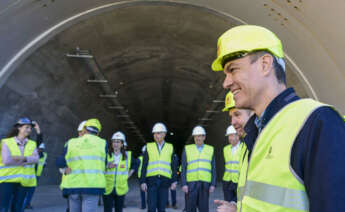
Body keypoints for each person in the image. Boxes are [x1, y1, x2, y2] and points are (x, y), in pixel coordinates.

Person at [212, 25, 345, 212]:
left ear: (265, 64)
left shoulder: (317, 122)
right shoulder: (258, 132)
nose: (226, 82)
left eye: (233, 69)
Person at [56, 118, 107, 212]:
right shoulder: (102, 143)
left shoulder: (71, 142)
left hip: (73, 187)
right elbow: (105, 163)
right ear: (98, 132)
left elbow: (59, 161)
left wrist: (64, 169)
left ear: (84, 130)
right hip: (92, 187)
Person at [0, 118, 39, 212]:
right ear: (19, 128)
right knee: (3, 207)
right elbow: (6, 160)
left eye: (30, 128)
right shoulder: (6, 142)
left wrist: (21, 158)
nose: (29, 130)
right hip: (7, 180)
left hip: (24, 181)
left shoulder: (32, 143)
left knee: (18, 208)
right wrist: (28, 160)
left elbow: (36, 159)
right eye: (27, 127)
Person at [140, 122, 178, 212]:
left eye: (159, 133)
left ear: (164, 134)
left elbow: (174, 166)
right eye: (155, 133)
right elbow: (144, 165)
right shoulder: (149, 146)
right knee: (151, 207)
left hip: (165, 181)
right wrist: (142, 181)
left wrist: (174, 181)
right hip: (151, 181)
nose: (156, 135)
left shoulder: (170, 147)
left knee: (162, 208)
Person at [181, 126, 216, 212]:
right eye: (196, 136)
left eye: (200, 136)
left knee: (204, 209)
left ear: (204, 137)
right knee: (190, 208)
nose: (198, 138)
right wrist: (184, 184)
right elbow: (183, 168)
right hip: (191, 185)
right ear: (194, 137)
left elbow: (213, 168)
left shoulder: (210, 149)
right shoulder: (187, 149)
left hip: (205, 185)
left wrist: (213, 184)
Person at [103, 131, 136, 212]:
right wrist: (107, 166)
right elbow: (99, 167)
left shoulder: (128, 156)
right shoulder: (106, 155)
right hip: (108, 188)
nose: (115, 144)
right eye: (114, 141)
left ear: (122, 144)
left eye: (118, 142)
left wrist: (129, 174)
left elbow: (136, 164)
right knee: (107, 210)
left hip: (121, 188)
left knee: (119, 210)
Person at [222, 125, 245, 203]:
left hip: (239, 181)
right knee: (228, 204)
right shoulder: (225, 149)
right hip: (227, 181)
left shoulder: (244, 147)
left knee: (238, 204)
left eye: (232, 135)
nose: (230, 138)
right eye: (229, 136)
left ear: (238, 136)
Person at [23, 141, 47, 209]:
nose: (40, 150)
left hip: (36, 175)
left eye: (41, 149)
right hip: (28, 174)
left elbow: (44, 164)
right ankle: (23, 203)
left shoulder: (44, 155)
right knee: (24, 190)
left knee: (31, 191)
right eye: (39, 148)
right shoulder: (31, 153)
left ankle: (27, 203)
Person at [137, 145, 147, 209]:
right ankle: (150, 203)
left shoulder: (139, 159)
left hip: (141, 177)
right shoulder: (150, 158)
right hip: (147, 176)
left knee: (143, 192)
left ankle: (143, 206)